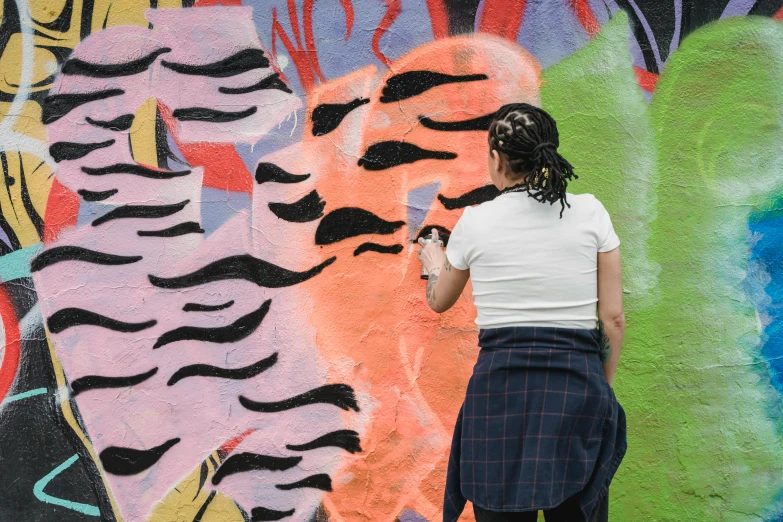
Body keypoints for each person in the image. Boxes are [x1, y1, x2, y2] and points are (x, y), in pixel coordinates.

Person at [417, 103, 627, 522]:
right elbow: (614, 318)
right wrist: (597, 386)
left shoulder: (476, 221)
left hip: (499, 398)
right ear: (548, 153)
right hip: (576, 388)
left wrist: (433, 259)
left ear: (496, 158)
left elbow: (439, 300)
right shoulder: (590, 212)